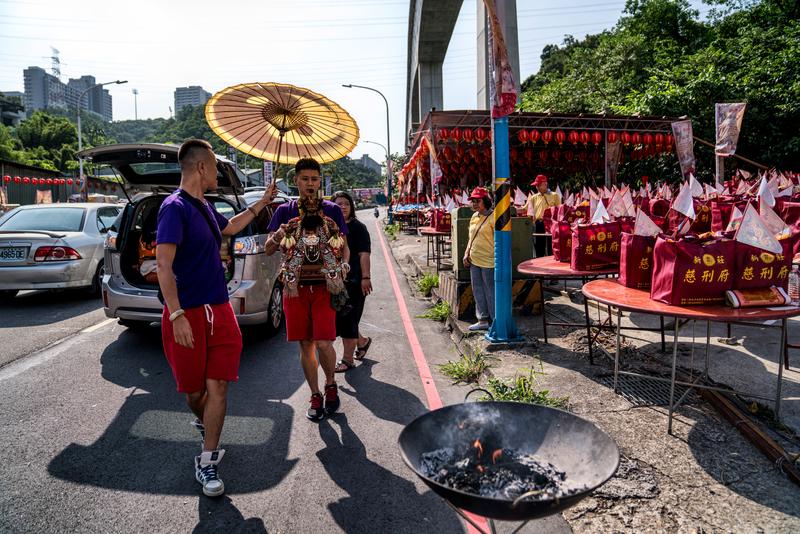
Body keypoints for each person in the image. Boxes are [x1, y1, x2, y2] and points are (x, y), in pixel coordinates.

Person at [156, 138, 274, 497]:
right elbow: (163, 264)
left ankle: (207, 460)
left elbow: (229, 228)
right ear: (201, 167)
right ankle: (205, 421)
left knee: (218, 386)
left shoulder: (205, 206)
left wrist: (262, 203)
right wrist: (176, 314)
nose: (219, 174)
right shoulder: (173, 208)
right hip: (186, 313)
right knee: (194, 393)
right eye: (215, 167)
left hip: (219, 310)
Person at [265, 158, 350, 422]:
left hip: (325, 287)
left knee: (324, 342)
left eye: (314, 179)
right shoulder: (283, 212)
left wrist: (345, 264)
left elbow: (343, 246)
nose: (310, 184)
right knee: (305, 344)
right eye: (305, 179)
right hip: (294, 288)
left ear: (319, 181)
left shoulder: (333, 210)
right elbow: (269, 249)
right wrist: (278, 235)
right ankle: (315, 393)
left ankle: (331, 383)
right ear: (296, 181)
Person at [331, 191, 373, 372]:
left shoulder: (358, 228)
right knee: (342, 319)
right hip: (334, 282)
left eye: (346, 204)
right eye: (338, 204)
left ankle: (347, 360)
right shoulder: (329, 228)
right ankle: (362, 342)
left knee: (348, 319)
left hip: (355, 281)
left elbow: (364, 254)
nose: (343, 207)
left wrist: (366, 277)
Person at [462, 186, 495, 331]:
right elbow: (471, 238)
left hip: (489, 261)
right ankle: (482, 319)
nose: (474, 203)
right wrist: (466, 253)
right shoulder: (474, 217)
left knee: (490, 291)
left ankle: (495, 321)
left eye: (477, 200)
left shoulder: (494, 217)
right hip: (474, 259)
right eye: (472, 201)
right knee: (477, 290)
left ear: (486, 201)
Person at [526, 174, 560, 258]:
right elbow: (525, 209)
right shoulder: (533, 197)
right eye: (536, 185)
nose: (537, 187)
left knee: (550, 245)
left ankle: (551, 262)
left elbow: (559, 211)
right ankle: (538, 262)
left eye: (539, 185)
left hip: (550, 223)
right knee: (539, 246)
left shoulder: (554, 195)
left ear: (545, 184)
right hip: (538, 223)